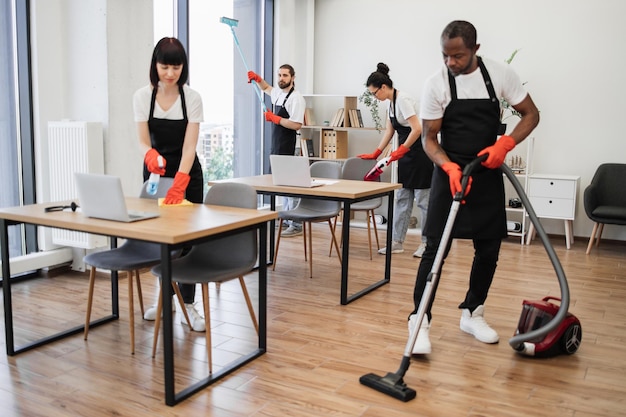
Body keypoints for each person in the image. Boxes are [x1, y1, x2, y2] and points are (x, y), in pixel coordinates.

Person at [410, 20, 540, 354]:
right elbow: (428, 138)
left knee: (488, 249)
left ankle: (472, 312)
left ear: (475, 50)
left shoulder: (500, 75)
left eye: (458, 56)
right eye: (445, 56)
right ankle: (419, 321)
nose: (451, 63)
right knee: (435, 248)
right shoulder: (436, 83)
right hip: (449, 172)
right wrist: (448, 166)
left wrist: (506, 144)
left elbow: (531, 114)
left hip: (486, 172)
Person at [133, 37, 206, 332]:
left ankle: (189, 304)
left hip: (187, 175)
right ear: (155, 66)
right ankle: (164, 299)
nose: (170, 73)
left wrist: (180, 182)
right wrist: (148, 155)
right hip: (155, 174)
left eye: (176, 67)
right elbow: (141, 141)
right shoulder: (142, 96)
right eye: (165, 67)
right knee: (161, 239)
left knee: (188, 242)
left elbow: (189, 148)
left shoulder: (192, 98)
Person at [358, 63, 433, 258]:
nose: (375, 98)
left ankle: (427, 244)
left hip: (421, 154)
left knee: (424, 201)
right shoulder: (390, 104)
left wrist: (402, 149)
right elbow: (390, 130)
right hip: (406, 156)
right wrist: (376, 152)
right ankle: (397, 242)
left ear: (383, 87)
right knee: (401, 199)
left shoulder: (403, 100)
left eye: (375, 93)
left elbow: (417, 129)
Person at [248, 65, 306, 237]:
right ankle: (283, 219)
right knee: (277, 184)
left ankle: (296, 224)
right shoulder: (279, 94)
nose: (281, 78)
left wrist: (276, 118)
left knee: (290, 187)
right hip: (277, 146)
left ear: (293, 78)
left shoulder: (296, 98)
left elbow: (296, 124)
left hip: (288, 146)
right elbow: (266, 88)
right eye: (279, 75)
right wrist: (258, 79)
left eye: (285, 75)